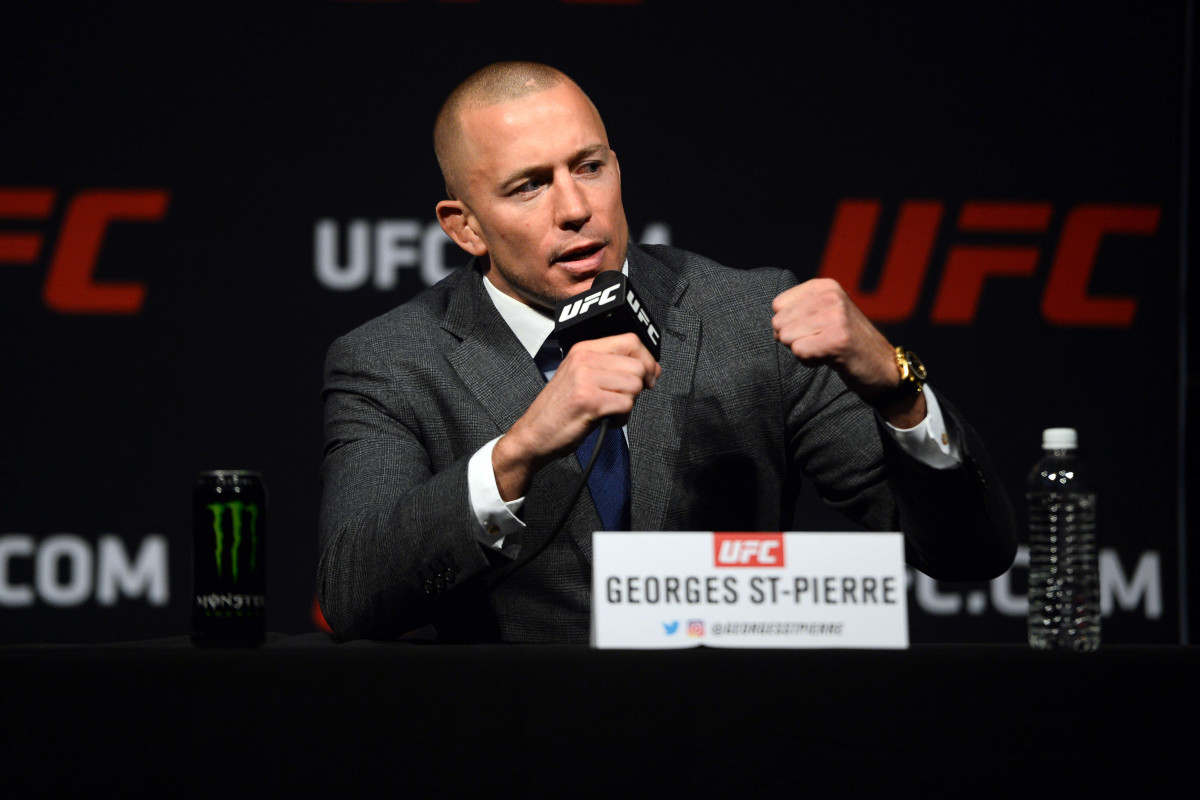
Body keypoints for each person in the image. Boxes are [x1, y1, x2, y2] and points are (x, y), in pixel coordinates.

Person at [317, 61, 1016, 643]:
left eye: (588, 167)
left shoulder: (751, 320)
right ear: (464, 226)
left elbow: (968, 554)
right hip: (518, 747)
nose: (574, 207)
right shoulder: (392, 360)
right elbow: (354, 594)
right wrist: (518, 451)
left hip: (732, 748)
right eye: (528, 186)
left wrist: (899, 391)